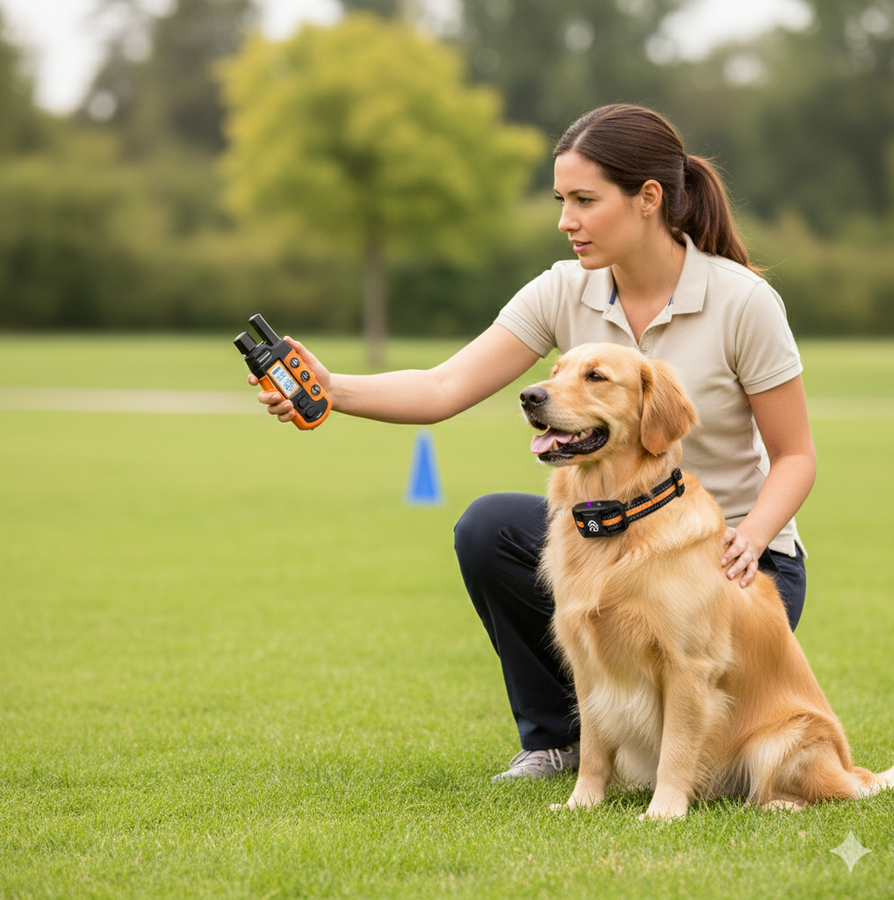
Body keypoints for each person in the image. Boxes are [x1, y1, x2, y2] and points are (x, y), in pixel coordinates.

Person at [249, 104, 817, 784]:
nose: (564, 220)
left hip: (731, 566)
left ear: (648, 200)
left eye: (584, 200)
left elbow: (795, 456)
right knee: (490, 528)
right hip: (615, 541)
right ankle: (556, 741)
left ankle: (698, 749)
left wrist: (751, 536)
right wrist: (330, 387)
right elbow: (443, 386)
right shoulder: (563, 289)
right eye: (560, 201)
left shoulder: (742, 302)